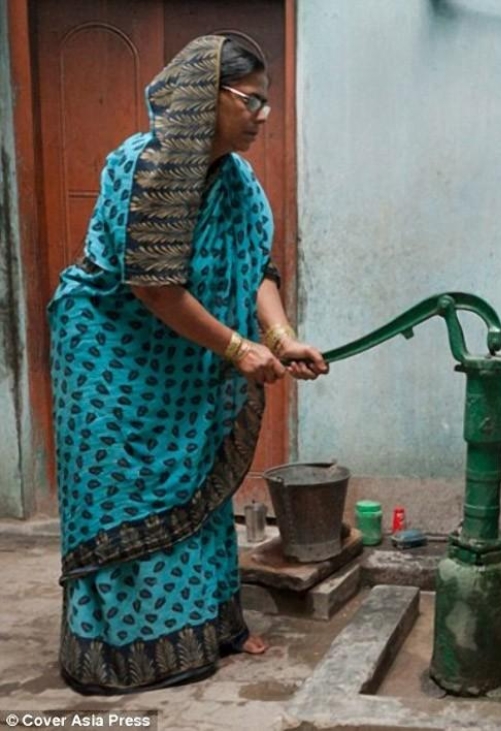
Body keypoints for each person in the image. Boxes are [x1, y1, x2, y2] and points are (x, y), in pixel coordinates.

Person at [48, 35, 328, 694]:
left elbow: (255, 267)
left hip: (184, 360)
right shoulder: (147, 168)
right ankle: (123, 650)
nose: (262, 116)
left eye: (265, 102)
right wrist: (237, 347)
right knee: (122, 491)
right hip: (112, 355)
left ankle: (205, 628)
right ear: (208, 98)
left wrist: (282, 336)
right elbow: (152, 286)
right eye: (250, 101)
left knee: (196, 488)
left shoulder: (236, 180)